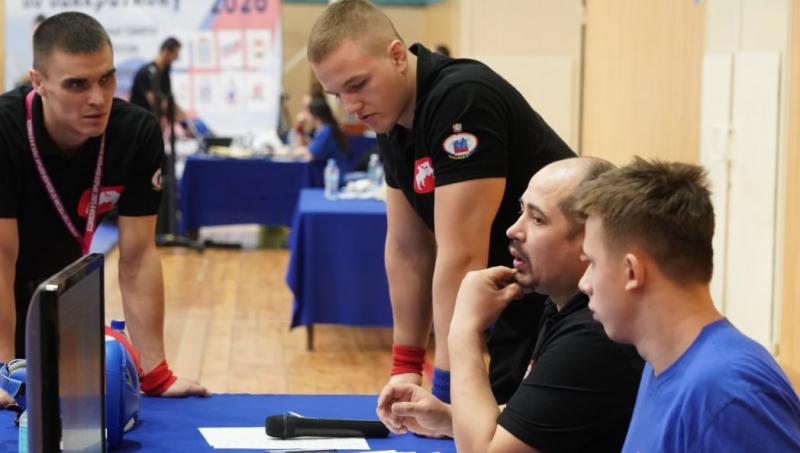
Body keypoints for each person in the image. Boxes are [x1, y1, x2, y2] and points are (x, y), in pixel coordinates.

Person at [307, 0, 575, 405]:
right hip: (517, 296)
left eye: (357, 85)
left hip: (569, 302)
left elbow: (462, 255)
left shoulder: (461, 98)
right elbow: (408, 248)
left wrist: (447, 390)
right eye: (337, 94)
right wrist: (406, 368)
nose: (351, 107)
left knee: (508, 427)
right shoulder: (391, 117)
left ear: (397, 56)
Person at [0, 12, 208, 408]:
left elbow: (139, 256)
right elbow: (0, 260)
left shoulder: (136, 133)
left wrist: (156, 374)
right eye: (77, 84)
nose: (97, 98)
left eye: (106, 78)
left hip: (58, 295)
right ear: (38, 82)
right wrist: (3, 374)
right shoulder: (5, 130)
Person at [377, 157, 644, 452]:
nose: (513, 230)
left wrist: (464, 329)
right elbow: (537, 418)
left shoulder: (594, 334)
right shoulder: (561, 307)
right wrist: (447, 418)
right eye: (521, 211)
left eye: (537, 219)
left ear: (589, 240)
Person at [576, 158, 800, 452]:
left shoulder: (726, 392)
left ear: (632, 272)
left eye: (593, 263)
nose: (584, 283)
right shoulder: (661, 362)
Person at [129, 37, 187, 123]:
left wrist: (183, 115)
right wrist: (177, 114)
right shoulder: (145, 73)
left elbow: (168, 98)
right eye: (175, 55)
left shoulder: (165, 71)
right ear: (166, 52)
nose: (175, 59)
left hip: (152, 120)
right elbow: (155, 102)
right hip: (139, 122)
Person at [299, 96, 353, 180]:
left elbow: (310, 156)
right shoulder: (324, 129)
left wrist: (295, 152)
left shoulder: (326, 131)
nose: (305, 115)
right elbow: (306, 145)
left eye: (307, 112)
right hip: (335, 175)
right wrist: (300, 126)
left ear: (314, 115)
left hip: (337, 177)